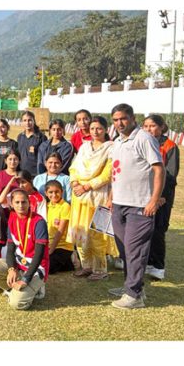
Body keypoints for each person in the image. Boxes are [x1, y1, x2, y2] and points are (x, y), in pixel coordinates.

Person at [108, 103, 164, 309]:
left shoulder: (144, 138)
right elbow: (118, 171)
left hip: (139, 206)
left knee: (135, 250)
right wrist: (112, 196)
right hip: (119, 204)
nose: (119, 123)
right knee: (125, 251)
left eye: (123, 118)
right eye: (115, 120)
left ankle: (134, 295)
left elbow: (159, 170)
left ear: (132, 118)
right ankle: (131, 286)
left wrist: (153, 200)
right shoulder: (118, 141)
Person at [0, 189, 49, 310]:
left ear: (29, 203)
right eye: (17, 202)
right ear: (11, 203)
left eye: (24, 202)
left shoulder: (39, 221)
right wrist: (11, 269)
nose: (21, 205)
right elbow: (10, 248)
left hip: (37, 268)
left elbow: (39, 254)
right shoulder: (12, 218)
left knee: (16, 304)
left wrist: (26, 278)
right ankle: (12, 288)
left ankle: (35, 288)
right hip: (19, 263)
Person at [67, 116, 116, 280]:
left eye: (99, 128)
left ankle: (100, 270)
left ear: (106, 130)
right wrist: (74, 183)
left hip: (99, 196)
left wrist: (87, 186)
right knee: (80, 232)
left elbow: (108, 174)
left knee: (98, 234)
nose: (95, 131)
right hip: (79, 197)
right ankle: (86, 266)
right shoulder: (84, 147)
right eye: (93, 128)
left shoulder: (111, 148)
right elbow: (74, 167)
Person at [143, 114, 179, 281]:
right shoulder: (144, 143)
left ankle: (158, 266)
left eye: (152, 126)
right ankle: (147, 262)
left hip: (162, 197)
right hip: (144, 194)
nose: (149, 129)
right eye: (146, 126)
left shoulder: (170, 146)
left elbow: (170, 174)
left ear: (161, 127)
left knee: (158, 231)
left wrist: (161, 196)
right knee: (144, 230)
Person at [44, 180, 74, 274]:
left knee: (46, 269)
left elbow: (60, 231)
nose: (54, 195)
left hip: (62, 246)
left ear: (62, 192)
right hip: (48, 245)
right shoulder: (46, 206)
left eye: (57, 192)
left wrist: (51, 250)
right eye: (50, 192)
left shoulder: (65, 206)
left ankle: (68, 259)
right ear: (46, 193)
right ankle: (68, 264)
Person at [17, 110, 46, 177]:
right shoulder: (20, 136)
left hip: (36, 173)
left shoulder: (41, 137)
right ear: (22, 122)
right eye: (24, 120)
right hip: (22, 172)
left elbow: (44, 156)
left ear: (34, 121)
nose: (27, 123)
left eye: (30, 120)